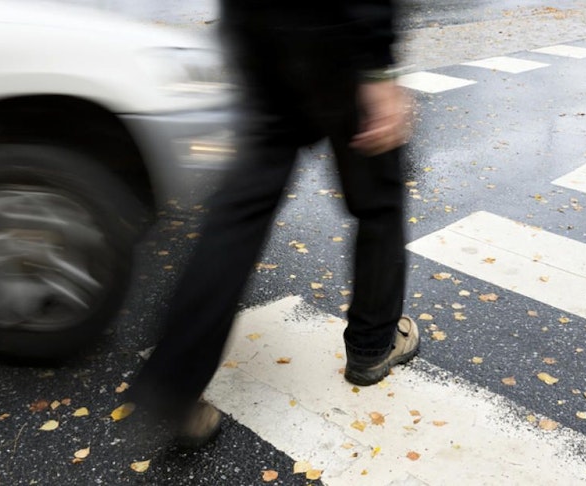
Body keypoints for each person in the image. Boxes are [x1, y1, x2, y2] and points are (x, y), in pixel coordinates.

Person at [128, 0, 419, 447]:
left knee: (241, 210)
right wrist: (378, 67)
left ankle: (173, 383)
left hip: (258, 29)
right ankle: (372, 346)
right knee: (378, 200)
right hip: (337, 31)